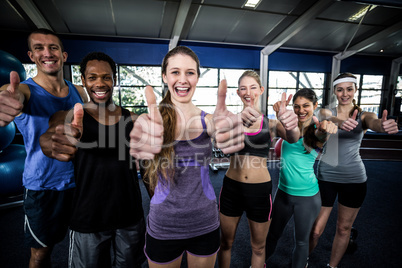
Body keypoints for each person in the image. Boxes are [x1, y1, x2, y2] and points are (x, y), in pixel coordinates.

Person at [129, 45, 245, 268]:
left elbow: (219, 128)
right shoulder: (152, 120)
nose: (183, 79)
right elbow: (140, 141)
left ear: (197, 77)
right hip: (164, 224)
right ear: (164, 76)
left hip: (204, 223)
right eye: (175, 72)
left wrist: (228, 130)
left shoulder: (208, 120)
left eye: (190, 72)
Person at [39, 52, 146, 267]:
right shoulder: (69, 117)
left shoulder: (132, 119)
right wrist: (52, 141)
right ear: (83, 81)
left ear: (114, 80)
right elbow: (51, 135)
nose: (100, 83)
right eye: (93, 77)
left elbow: (147, 168)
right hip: (88, 217)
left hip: (129, 215)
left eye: (106, 77)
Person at [0, 28, 88, 267]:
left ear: (64, 54)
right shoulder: (25, 90)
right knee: (40, 255)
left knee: (83, 248)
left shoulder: (79, 92)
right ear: (31, 55)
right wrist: (5, 103)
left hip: (79, 184)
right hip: (43, 186)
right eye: (39, 48)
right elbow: (12, 97)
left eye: (53, 48)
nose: (47, 53)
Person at [309, 72, 399, 268]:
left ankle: (331, 266)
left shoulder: (365, 115)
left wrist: (383, 126)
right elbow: (329, 119)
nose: (344, 94)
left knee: (343, 228)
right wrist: (341, 122)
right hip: (326, 177)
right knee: (315, 230)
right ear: (334, 90)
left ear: (355, 90)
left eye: (349, 89)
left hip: (354, 179)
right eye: (340, 89)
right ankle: (303, 261)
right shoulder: (325, 112)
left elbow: (374, 123)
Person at [218, 70, 300, 268]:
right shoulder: (231, 120)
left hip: (259, 191)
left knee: (258, 247)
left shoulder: (271, 123)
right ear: (238, 93)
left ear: (261, 90)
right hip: (231, 189)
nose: (248, 92)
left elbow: (293, 137)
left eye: (253, 87)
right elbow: (219, 141)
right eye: (243, 88)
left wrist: (289, 123)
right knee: (226, 243)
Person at [265, 88, 337, 268]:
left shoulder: (317, 130)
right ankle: (258, 264)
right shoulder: (287, 126)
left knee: (302, 242)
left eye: (306, 105)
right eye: (296, 106)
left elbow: (320, 136)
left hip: (308, 197)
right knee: (272, 235)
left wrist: (325, 129)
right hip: (282, 193)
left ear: (315, 106)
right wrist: (278, 114)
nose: (301, 110)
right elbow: (279, 129)